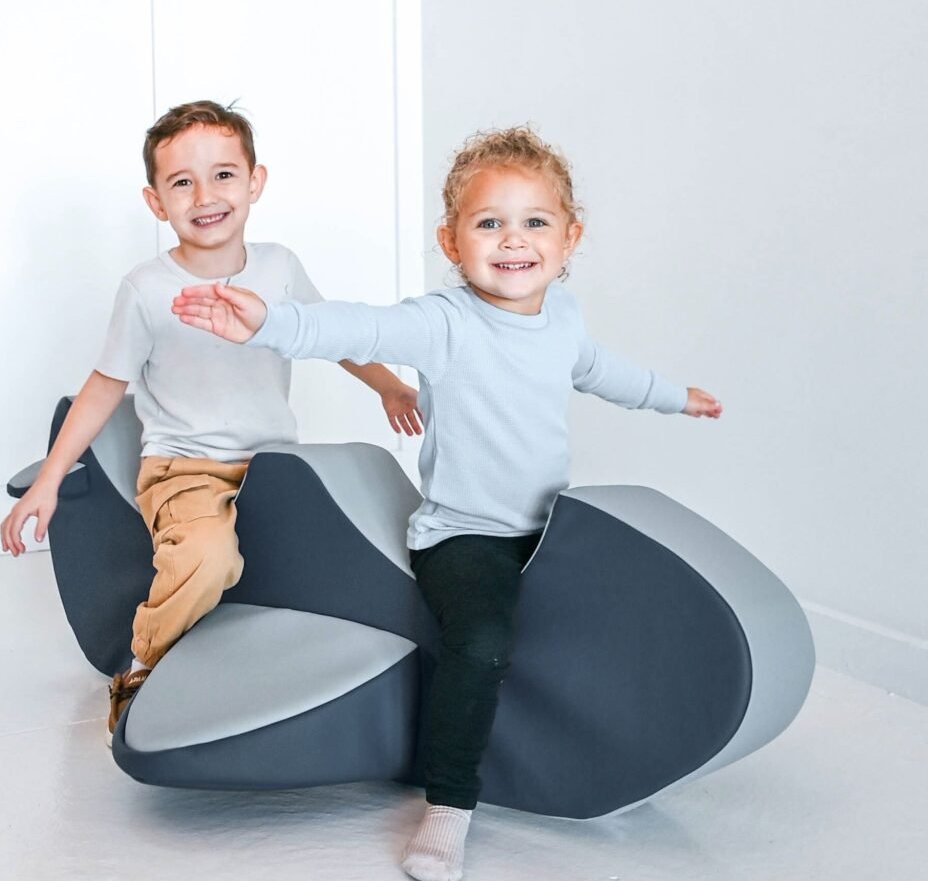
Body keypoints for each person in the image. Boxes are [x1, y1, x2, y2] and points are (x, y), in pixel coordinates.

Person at [171, 126, 722, 881]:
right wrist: (271, 322)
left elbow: (601, 370)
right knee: (482, 643)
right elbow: (360, 324)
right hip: (466, 536)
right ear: (452, 242)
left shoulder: (563, 318)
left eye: (534, 221)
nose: (513, 240)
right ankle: (450, 804)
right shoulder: (445, 323)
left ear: (569, 237)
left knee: (631, 604)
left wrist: (674, 397)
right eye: (489, 222)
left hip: (552, 528)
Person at [0, 100, 421, 741]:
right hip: (185, 468)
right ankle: (141, 665)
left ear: (255, 182)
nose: (205, 196)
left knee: (350, 549)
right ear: (155, 202)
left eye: (223, 175)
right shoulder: (146, 289)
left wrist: (389, 385)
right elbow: (105, 384)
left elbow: (328, 333)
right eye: (182, 182)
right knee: (206, 557)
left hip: (275, 465)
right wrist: (51, 479)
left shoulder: (279, 267)